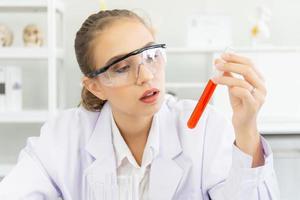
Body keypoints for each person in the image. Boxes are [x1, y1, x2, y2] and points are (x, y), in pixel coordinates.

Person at [0, 9, 279, 200]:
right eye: (122, 67)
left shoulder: (204, 127)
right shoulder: (64, 137)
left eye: (151, 55)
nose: (146, 75)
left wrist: (247, 131)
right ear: (94, 85)